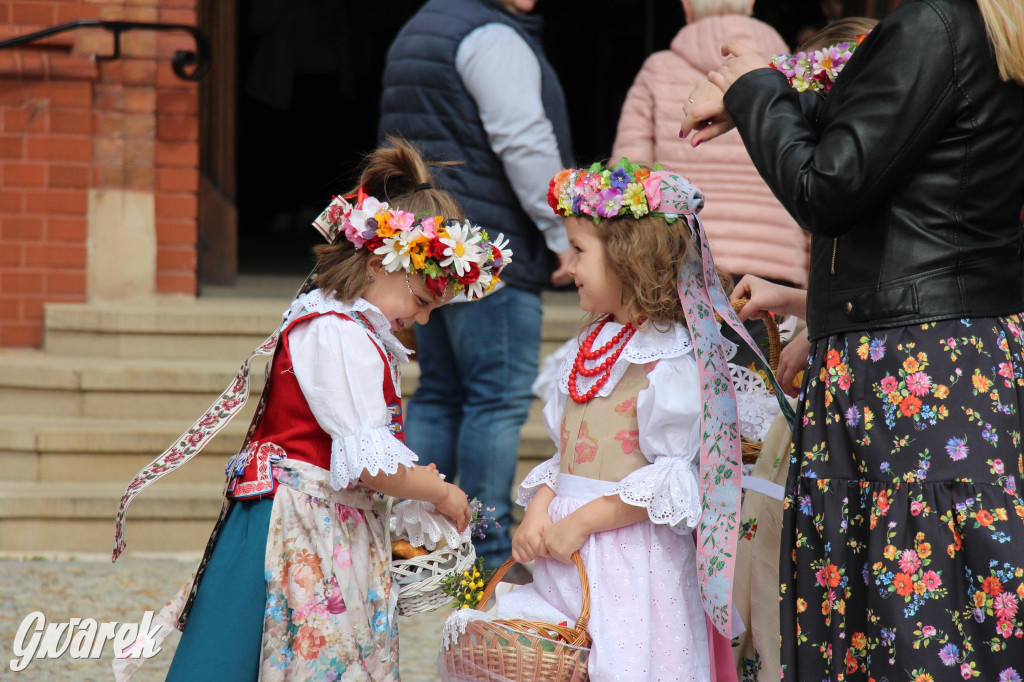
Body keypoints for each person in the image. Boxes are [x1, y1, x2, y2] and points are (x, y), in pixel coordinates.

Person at [681, 0, 1024, 677]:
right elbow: (899, 147)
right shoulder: (981, 27)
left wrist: (755, 86)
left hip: (905, 365)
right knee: (956, 605)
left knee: (901, 616)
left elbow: (827, 186)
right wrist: (766, 99)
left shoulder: (934, 22)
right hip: (957, 354)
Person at [110, 140, 513, 680]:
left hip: (318, 521)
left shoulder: (350, 328)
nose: (422, 318)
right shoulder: (336, 333)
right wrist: (440, 491)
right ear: (377, 262)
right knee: (253, 652)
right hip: (296, 526)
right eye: (420, 300)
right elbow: (371, 464)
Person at [443, 161, 784, 681]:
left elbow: (670, 478)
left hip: (633, 562)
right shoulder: (589, 346)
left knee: (625, 663)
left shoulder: (670, 359)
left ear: (628, 260)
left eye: (580, 251)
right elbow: (564, 456)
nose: (570, 264)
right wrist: (539, 511)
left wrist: (579, 521)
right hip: (568, 554)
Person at [377, 0, 574, 572]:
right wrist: (561, 233)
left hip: (431, 242)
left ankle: (412, 545)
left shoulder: (421, 25)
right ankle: (485, 554)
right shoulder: (491, 35)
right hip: (488, 250)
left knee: (438, 389)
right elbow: (523, 140)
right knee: (496, 397)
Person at [612, 0, 808, 290]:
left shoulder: (657, 70)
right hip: (774, 265)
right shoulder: (789, 75)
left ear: (687, 7)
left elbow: (628, 174)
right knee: (770, 338)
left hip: (681, 263)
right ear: (750, 4)